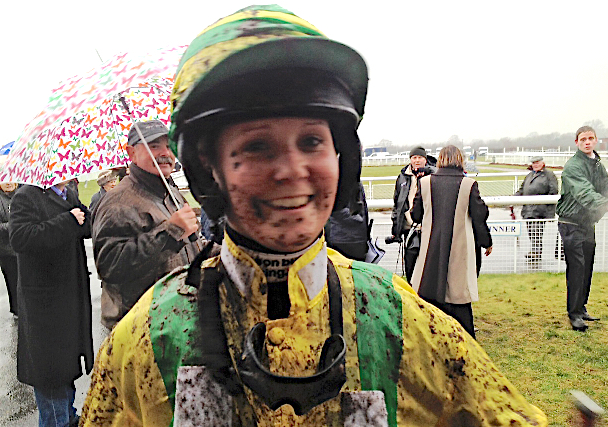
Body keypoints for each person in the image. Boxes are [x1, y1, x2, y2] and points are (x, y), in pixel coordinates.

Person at [80, 6, 546, 426]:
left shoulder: (395, 318)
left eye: (312, 142)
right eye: (257, 147)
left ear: (343, 159)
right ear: (210, 172)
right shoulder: (148, 338)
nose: (293, 171)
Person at [91, 119, 204, 329]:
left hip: (178, 315)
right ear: (131, 153)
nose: (165, 153)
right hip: (142, 326)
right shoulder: (117, 202)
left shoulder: (171, 192)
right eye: (153, 146)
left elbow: (194, 244)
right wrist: (171, 232)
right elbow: (110, 266)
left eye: (169, 146)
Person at [9, 181, 92, 427]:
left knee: (66, 367)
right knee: (50, 372)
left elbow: (84, 226)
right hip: (43, 304)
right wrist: (68, 221)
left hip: (69, 296)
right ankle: (58, 421)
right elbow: (20, 238)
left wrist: (81, 218)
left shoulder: (68, 194)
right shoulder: (26, 196)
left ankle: (68, 416)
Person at [409, 145, 493, 338]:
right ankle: (464, 341)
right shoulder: (468, 184)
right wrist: (486, 242)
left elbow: (416, 215)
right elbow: (480, 216)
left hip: (430, 250)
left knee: (428, 296)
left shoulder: (425, 183)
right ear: (460, 160)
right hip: (460, 249)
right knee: (459, 297)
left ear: (439, 160)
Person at [556, 125, 608, 331]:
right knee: (577, 269)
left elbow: (605, 186)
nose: (587, 142)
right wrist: (605, 204)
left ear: (596, 140)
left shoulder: (596, 163)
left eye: (591, 138)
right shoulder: (573, 166)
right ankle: (574, 314)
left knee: (587, 267)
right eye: (583, 139)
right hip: (570, 224)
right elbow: (584, 192)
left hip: (587, 223)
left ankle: (581, 308)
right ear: (577, 142)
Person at [387, 146, 435, 281]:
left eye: (420, 158)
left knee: (427, 265)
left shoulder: (433, 174)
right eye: (414, 158)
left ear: (425, 160)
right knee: (410, 265)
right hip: (409, 228)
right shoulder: (402, 177)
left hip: (427, 226)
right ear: (410, 160)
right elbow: (397, 204)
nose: (417, 160)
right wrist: (396, 229)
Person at [514, 156, 559, 263]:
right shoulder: (529, 175)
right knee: (531, 231)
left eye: (537, 163)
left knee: (536, 231)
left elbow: (553, 191)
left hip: (540, 209)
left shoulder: (549, 175)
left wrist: (549, 210)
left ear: (543, 163)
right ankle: (535, 251)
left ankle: (536, 252)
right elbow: (522, 190)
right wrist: (512, 198)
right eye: (534, 163)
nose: (536, 165)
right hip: (528, 209)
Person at [0, 182, 18, 317]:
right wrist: (11, 226)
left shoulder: (22, 196)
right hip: (6, 250)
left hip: (24, 247)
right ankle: (17, 309)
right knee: (12, 280)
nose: (8, 183)